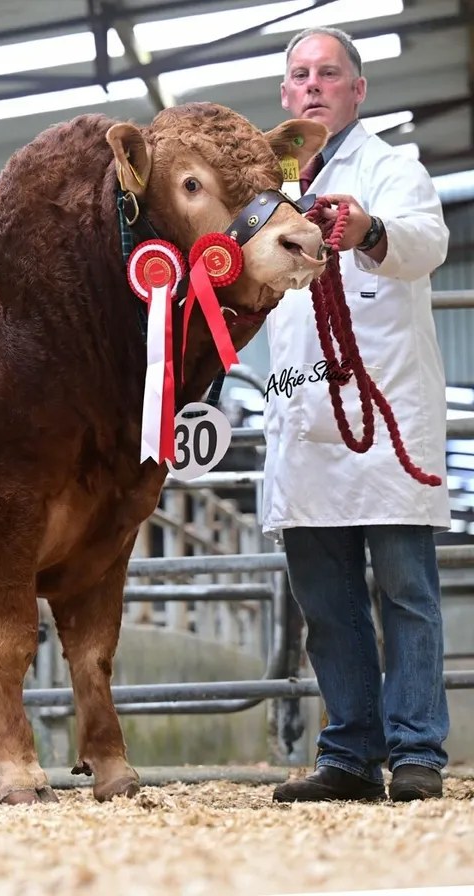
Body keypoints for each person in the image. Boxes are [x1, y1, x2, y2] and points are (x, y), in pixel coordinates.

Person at [260, 25, 452, 803]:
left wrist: (369, 229)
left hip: (384, 406)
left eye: (328, 73)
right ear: (285, 93)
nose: (313, 85)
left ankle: (416, 753)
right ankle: (349, 754)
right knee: (325, 600)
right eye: (301, 74)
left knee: (405, 591)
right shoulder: (265, 185)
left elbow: (428, 243)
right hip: (304, 413)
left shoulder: (392, 168)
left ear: (357, 89)